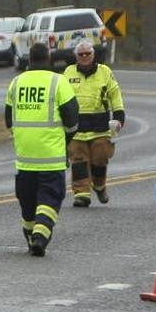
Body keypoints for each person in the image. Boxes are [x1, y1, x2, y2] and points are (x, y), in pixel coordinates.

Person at [5, 42, 80, 257]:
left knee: (27, 202)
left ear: (29, 59)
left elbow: (8, 120)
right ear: (49, 58)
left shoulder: (16, 83)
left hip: (24, 158)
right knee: (50, 198)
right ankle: (40, 237)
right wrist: (64, 139)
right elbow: (73, 121)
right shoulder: (59, 82)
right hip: (51, 157)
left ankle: (30, 237)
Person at [60, 42, 125, 207]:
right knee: (78, 160)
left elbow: (114, 94)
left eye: (87, 53)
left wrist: (119, 116)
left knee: (100, 158)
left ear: (93, 55)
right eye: (80, 54)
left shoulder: (105, 72)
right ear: (76, 57)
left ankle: (99, 185)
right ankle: (81, 194)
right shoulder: (68, 72)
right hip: (76, 128)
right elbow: (61, 97)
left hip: (100, 127)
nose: (84, 57)